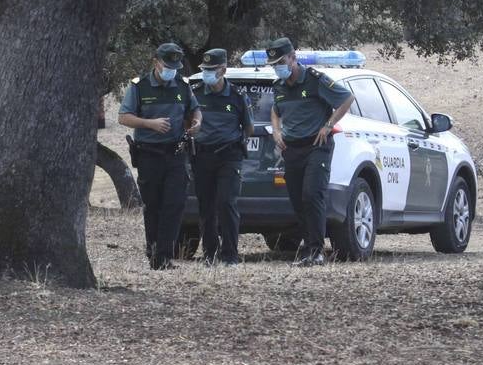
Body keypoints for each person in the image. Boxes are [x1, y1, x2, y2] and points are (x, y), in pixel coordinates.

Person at [267, 37, 354, 266]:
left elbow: (346, 99)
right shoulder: (279, 87)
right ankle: (308, 249)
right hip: (292, 149)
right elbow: (275, 111)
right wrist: (276, 131)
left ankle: (316, 251)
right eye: (274, 63)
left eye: (281, 61)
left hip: (317, 147)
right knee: (298, 200)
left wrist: (328, 125)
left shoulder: (315, 80)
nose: (278, 66)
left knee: (312, 195)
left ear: (293, 58)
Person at [118, 43, 202, 269]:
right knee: (153, 205)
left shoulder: (183, 86)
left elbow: (194, 109)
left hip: (176, 153)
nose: (171, 70)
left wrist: (197, 122)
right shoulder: (139, 87)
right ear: (156, 62)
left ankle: (164, 256)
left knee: (174, 205)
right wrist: (149, 124)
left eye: (175, 66)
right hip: (149, 154)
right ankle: (153, 251)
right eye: (167, 65)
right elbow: (123, 117)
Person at [189, 48, 254, 265]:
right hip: (202, 155)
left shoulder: (237, 96)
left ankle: (230, 255)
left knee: (226, 203)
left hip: (229, 156)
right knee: (206, 206)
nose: (207, 73)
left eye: (212, 69)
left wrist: (233, 140)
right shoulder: (195, 93)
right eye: (204, 69)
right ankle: (210, 254)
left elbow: (249, 127)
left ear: (223, 70)